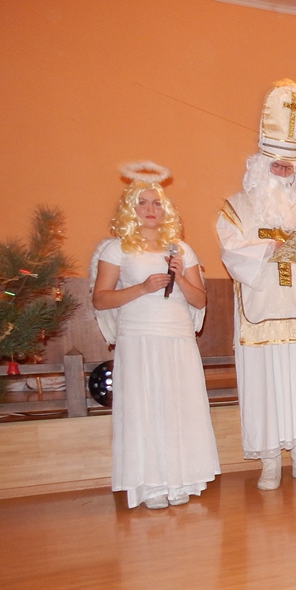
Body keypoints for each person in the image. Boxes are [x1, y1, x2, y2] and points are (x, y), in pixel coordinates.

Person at [216, 79, 296, 490]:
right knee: (264, 386)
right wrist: (269, 248)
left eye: (289, 167)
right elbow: (231, 252)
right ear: (259, 165)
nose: (283, 172)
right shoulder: (237, 207)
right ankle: (269, 462)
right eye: (276, 165)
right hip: (261, 310)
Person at [91, 162, 220, 509]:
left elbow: (200, 300)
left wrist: (181, 277)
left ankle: (181, 479)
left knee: (179, 408)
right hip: (138, 338)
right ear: (130, 209)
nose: (151, 209)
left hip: (177, 337)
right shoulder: (116, 249)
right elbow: (100, 299)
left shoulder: (181, 250)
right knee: (144, 409)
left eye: (157, 203)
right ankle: (150, 486)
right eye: (143, 203)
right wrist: (143, 287)